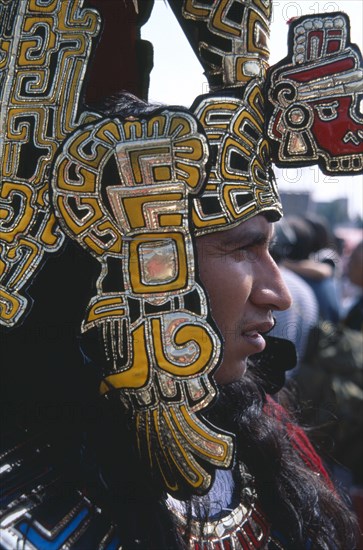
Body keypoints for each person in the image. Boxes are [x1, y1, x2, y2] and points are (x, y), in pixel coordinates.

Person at [1, 3, 362, 550]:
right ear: (143, 267)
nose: (280, 292)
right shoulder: (23, 510)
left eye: (271, 250)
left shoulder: (261, 445)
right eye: (242, 249)